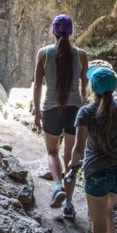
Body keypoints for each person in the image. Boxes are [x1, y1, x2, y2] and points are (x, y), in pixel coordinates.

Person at [69, 65, 117, 233]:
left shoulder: (85, 113)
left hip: (97, 173)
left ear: (92, 87)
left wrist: (71, 168)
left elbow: (78, 149)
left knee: (98, 228)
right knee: (109, 213)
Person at [32, 14, 89, 218]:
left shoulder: (44, 53)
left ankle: (58, 187)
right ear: (71, 32)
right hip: (75, 111)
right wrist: (81, 104)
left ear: (53, 32)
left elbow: (38, 84)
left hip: (51, 109)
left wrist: (37, 110)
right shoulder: (81, 55)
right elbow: (85, 87)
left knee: (52, 152)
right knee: (70, 156)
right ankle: (68, 204)